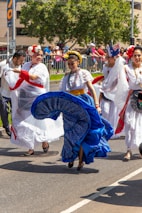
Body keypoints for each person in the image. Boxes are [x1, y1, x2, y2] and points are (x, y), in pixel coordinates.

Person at [4, 45, 64, 155]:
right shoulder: (26, 65)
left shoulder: (42, 67)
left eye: (41, 55)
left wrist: (20, 73)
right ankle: (30, 147)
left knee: (40, 120)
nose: (40, 57)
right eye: (37, 55)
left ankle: (44, 140)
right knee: (26, 121)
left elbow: (34, 78)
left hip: (37, 97)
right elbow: (20, 79)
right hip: (25, 96)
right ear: (31, 55)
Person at [57, 50, 113, 170]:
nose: (71, 66)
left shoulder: (84, 73)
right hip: (70, 106)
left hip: (83, 102)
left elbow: (91, 89)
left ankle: (81, 159)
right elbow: (62, 93)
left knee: (83, 132)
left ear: (78, 62)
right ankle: (71, 156)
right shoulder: (66, 77)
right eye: (69, 64)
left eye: (73, 63)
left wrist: (97, 105)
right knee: (70, 133)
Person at [115, 46, 142, 160]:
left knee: (141, 124)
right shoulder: (126, 68)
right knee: (130, 123)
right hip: (131, 97)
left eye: (139, 55)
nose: (137, 57)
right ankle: (129, 149)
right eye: (135, 55)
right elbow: (121, 83)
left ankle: (141, 149)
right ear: (131, 57)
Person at [99, 44, 126, 139]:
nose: (108, 59)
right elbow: (105, 77)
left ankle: (113, 130)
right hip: (105, 91)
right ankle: (105, 129)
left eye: (110, 57)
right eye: (108, 57)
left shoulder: (119, 68)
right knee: (105, 111)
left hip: (114, 92)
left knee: (114, 112)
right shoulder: (105, 67)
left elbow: (120, 80)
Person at [0, 50, 26, 136]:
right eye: (21, 60)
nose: (22, 62)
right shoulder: (3, 64)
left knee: (15, 111)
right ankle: (7, 127)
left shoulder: (20, 66)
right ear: (15, 58)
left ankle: (16, 129)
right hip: (3, 92)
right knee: (4, 109)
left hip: (14, 93)